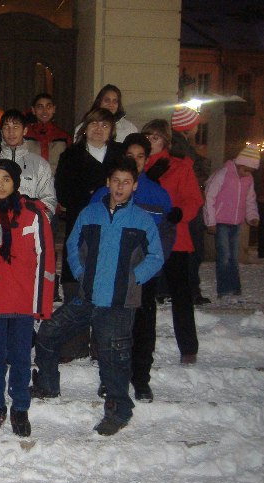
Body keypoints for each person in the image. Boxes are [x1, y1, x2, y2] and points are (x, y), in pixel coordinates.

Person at [34, 158, 163, 435]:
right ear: (108, 183)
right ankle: (47, 385)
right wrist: (81, 272)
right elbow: (72, 244)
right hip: (87, 297)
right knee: (48, 332)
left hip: (118, 303)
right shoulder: (90, 213)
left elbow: (156, 256)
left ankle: (119, 411)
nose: (120, 187)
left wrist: (133, 279)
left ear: (134, 185)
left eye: (126, 182)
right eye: (115, 181)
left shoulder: (141, 220)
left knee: (113, 359)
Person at [90, 134, 174, 402]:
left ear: (147, 160)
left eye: (140, 156)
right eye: (130, 156)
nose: (135, 161)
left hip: (142, 277)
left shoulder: (157, 194)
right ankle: (109, 378)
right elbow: (89, 235)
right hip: (110, 276)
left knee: (142, 329)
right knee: (109, 330)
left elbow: (166, 236)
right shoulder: (103, 194)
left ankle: (140, 380)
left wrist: (147, 270)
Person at [39, 107, 125, 367]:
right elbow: (64, 192)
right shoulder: (71, 155)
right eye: (94, 124)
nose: (99, 129)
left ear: (111, 131)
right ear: (85, 128)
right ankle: (74, 344)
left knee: (106, 284)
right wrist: (92, 194)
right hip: (80, 225)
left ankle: (102, 344)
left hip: (113, 227)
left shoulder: (119, 155)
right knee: (76, 283)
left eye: (105, 125)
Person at [0, 159, 55, 437]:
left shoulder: (33, 214)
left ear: (16, 182)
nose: (0, 185)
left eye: (6, 179)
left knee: (22, 358)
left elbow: (46, 260)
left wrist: (41, 305)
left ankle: (20, 407)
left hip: (23, 302)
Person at [142, 119, 203, 364]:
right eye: (147, 137)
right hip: (147, 239)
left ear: (165, 141)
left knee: (181, 293)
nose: (150, 142)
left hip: (175, 237)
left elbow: (193, 199)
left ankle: (188, 347)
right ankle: (144, 346)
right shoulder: (137, 165)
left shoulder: (179, 166)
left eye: (155, 137)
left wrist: (180, 213)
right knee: (145, 296)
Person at [203, 145, 260, 300]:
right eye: (245, 170)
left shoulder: (248, 179)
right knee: (224, 255)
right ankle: (224, 289)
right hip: (221, 221)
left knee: (233, 256)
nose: (246, 174)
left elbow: (250, 199)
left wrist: (252, 216)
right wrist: (210, 221)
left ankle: (234, 287)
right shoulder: (223, 174)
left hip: (236, 222)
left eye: (250, 171)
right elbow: (210, 197)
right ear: (240, 164)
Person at [170, 106, 211, 305]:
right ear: (188, 127)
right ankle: (190, 290)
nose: (197, 128)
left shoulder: (181, 145)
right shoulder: (182, 149)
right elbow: (193, 176)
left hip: (185, 203)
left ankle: (188, 289)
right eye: (195, 124)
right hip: (187, 205)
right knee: (193, 249)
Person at [0, 109, 56, 216]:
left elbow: (49, 200)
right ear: (1, 132)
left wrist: (37, 221)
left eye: (16, 127)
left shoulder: (40, 164)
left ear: (25, 130)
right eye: (6, 127)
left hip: (30, 223)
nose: (11, 132)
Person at [25, 93, 72, 165]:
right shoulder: (25, 134)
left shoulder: (64, 137)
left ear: (54, 109)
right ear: (33, 110)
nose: (44, 111)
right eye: (40, 107)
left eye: (48, 106)